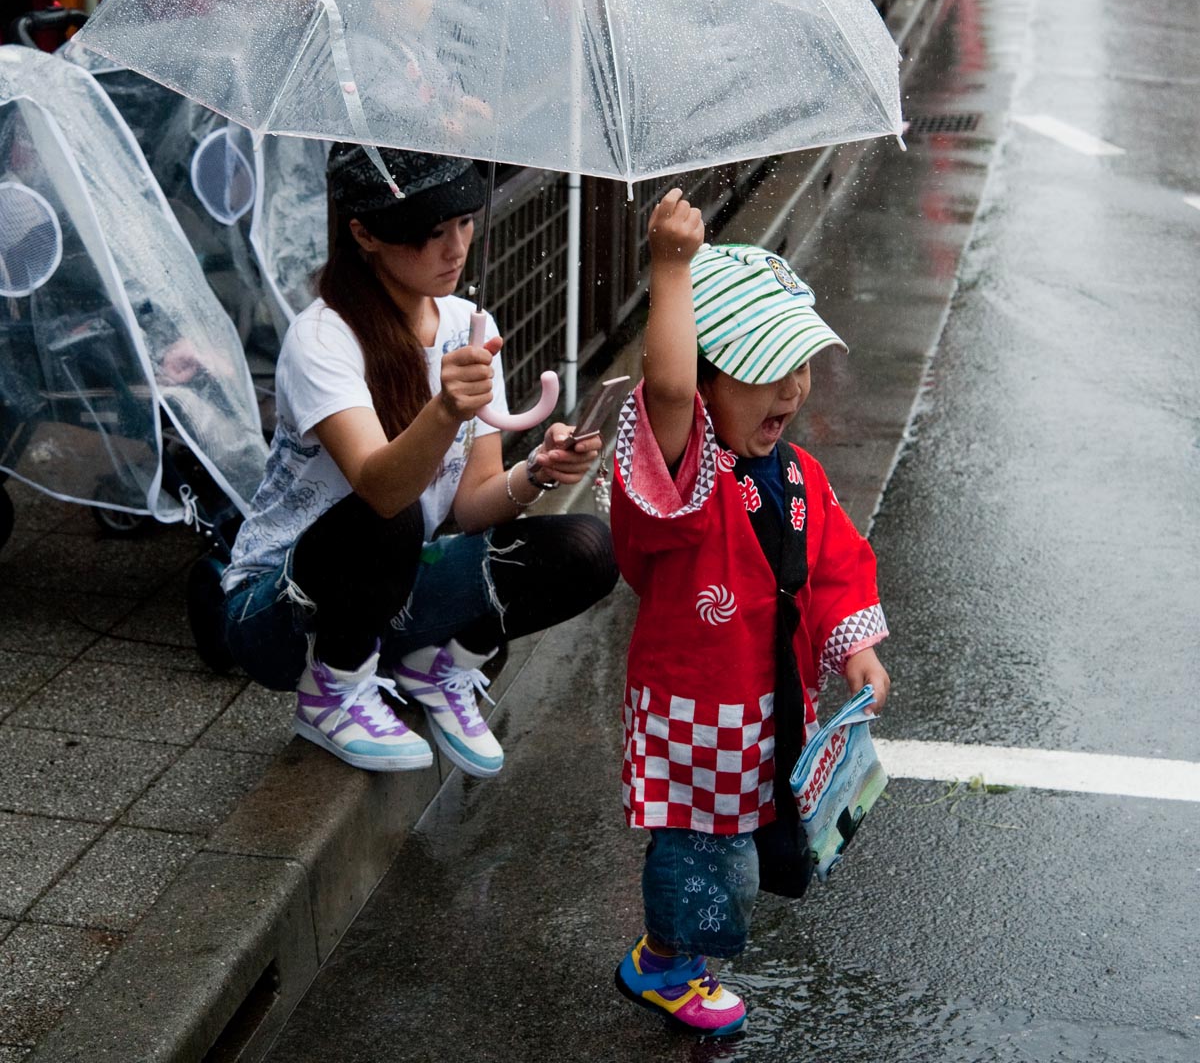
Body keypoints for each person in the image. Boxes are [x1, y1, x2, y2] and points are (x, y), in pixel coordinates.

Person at [214, 143, 617, 776]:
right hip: (281, 610)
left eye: (463, 222)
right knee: (390, 518)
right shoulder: (323, 337)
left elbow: (472, 501)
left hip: (391, 589)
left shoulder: (467, 325)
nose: (455, 248)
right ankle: (333, 690)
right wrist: (445, 411)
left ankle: (438, 669)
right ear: (364, 232)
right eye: (429, 234)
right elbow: (379, 492)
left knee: (589, 549)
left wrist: (535, 472)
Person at [609, 190, 891, 1037]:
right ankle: (665, 963)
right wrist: (670, 265)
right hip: (697, 711)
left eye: (799, 367)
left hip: (768, 705)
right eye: (766, 373)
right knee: (701, 852)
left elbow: (836, 564)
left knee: (753, 841)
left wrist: (856, 650)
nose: (791, 392)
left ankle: (681, 954)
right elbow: (663, 390)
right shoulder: (684, 478)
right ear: (707, 383)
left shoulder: (797, 475)